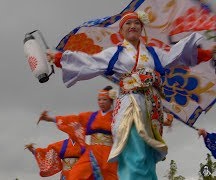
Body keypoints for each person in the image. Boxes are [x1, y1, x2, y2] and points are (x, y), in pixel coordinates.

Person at [46, 11, 212, 180]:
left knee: (147, 155)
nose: (133, 26)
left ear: (141, 28)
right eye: (128, 23)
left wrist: (205, 54)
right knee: (135, 150)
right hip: (129, 107)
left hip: (151, 108)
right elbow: (91, 62)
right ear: (121, 30)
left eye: (136, 23)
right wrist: (60, 58)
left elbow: (175, 56)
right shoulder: (115, 54)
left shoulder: (153, 53)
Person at [37, 86, 118, 180]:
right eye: (99, 100)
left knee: (110, 177)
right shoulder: (92, 116)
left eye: (104, 99)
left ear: (111, 101)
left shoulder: (116, 117)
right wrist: (51, 119)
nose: (101, 102)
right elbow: (73, 119)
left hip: (109, 154)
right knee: (75, 175)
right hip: (93, 153)